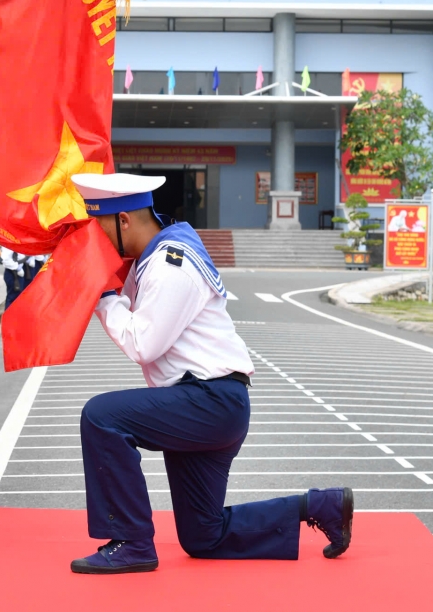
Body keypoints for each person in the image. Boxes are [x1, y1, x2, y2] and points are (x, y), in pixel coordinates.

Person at [66, 172, 353, 575]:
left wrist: (103, 296)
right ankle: (322, 505)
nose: (96, 240)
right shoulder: (155, 255)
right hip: (205, 401)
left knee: (102, 417)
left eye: (99, 228)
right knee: (203, 535)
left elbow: (141, 343)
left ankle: (131, 543)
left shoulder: (172, 264)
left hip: (210, 402)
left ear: (124, 220)